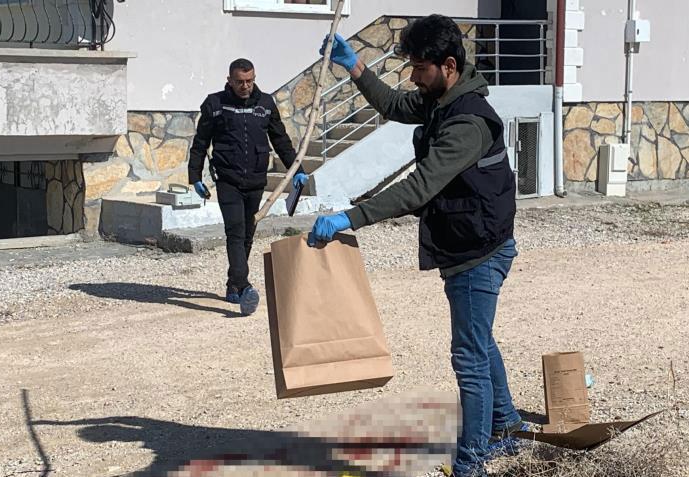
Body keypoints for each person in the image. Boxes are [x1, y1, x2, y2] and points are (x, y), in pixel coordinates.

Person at [310, 16, 525, 476]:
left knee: (467, 357)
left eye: (420, 68)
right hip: (471, 241)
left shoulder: (467, 121)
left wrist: (352, 215)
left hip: (478, 253)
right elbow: (393, 104)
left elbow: (419, 187)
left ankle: (472, 461)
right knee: (479, 341)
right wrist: (356, 67)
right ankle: (506, 424)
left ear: (449, 66)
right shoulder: (440, 99)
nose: (413, 76)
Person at [189, 58, 308, 316]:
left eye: (250, 81)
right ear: (229, 80)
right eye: (240, 82)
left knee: (248, 235)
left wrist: (297, 170)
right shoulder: (215, 104)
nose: (245, 86)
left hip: (255, 181)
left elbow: (281, 140)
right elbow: (200, 143)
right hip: (228, 180)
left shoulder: (265, 104)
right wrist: (195, 176)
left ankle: (233, 284)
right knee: (235, 232)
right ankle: (244, 287)